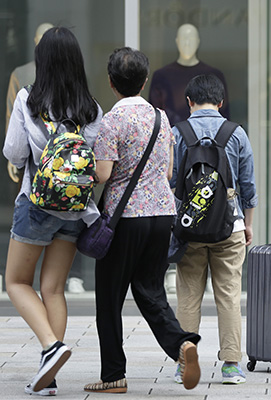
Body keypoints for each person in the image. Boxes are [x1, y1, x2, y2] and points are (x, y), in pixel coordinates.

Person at [84, 47, 200, 394]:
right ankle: (181, 344)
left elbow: (103, 174)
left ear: (110, 82)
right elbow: (166, 171)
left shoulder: (112, 121)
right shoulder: (161, 118)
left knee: (109, 297)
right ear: (145, 80)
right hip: (162, 214)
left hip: (125, 219)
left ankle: (113, 375)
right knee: (150, 290)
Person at [3, 26, 103, 396]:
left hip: (36, 204)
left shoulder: (28, 100)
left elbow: (13, 153)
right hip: (75, 211)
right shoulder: (91, 108)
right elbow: (96, 161)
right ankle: (50, 376)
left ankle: (51, 346)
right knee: (54, 289)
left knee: (15, 282)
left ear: (41, 61)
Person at [171, 74, 258, 385]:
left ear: (189, 102)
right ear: (221, 103)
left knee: (188, 296)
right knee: (229, 295)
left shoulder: (178, 133)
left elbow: (170, 183)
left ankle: (184, 360)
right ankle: (232, 364)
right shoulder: (236, 133)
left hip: (189, 226)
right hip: (229, 226)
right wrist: (247, 225)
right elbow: (248, 185)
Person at [149, 24, 230, 125]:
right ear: (177, 41)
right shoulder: (161, 76)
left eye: (191, 39)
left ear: (198, 41)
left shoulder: (214, 75)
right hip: (171, 136)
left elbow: (224, 115)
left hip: (208, 136)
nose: (187, 43)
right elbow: (155, 116)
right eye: (183, 39)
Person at [5, 22, 53, 184]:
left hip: (61, 155)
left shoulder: (69, 76)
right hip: (28, 152)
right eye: (41, 39)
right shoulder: (20, 74)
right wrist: (12, 156)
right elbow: (11, 115)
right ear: (35, 40)